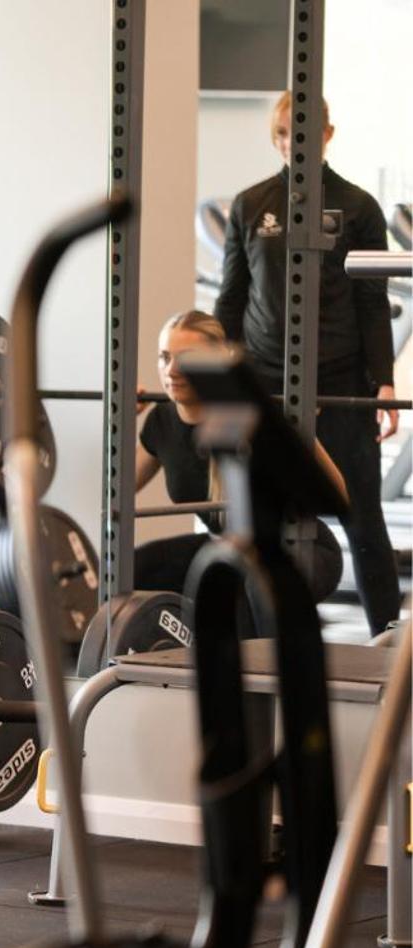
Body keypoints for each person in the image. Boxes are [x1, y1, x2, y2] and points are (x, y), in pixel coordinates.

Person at [214, 94, 401, 634]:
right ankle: (262, 642)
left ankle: (389, 642)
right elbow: (231, 299)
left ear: (327, 134)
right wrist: (218, 379)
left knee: (363, 519)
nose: (289, 143)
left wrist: (384, 386)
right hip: (265, 382)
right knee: (259, 523)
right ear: (272, 137)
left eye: (301, 133)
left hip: (341, 383)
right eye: (280, 134)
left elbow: (371, 301)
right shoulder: (250, 205)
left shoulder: (360, 207)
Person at [136, 311, 345, 601]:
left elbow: (338, 493)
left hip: (299, 550)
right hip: (229, 549)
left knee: (249, 582)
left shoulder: (249, 413)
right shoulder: (161, 422)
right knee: (138, 568)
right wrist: (116, 422)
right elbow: (116, 490)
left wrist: (298, 432)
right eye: (164, 357)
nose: (171, 370)